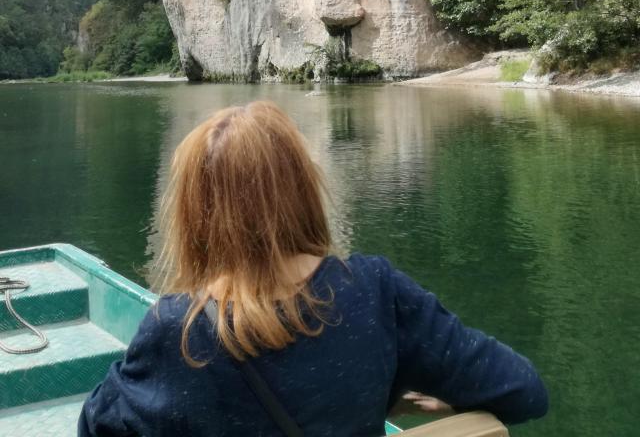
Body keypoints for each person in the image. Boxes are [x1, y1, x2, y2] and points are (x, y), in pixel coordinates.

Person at [78, 101, 548, 437]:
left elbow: (95, 427)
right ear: (303, 189)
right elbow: (524, 391)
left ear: (194, 212)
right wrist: (424, 390)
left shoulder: (177, 329)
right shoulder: (373, 287)